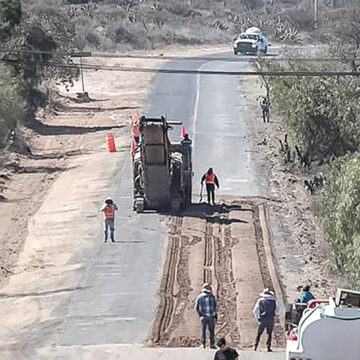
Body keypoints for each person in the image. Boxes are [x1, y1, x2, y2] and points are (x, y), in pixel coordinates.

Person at [195, 283, 217, 349]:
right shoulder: (212, 297)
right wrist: (215, 315)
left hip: (203, 316)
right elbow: (215, 306)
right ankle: (212, 344)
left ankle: (203, 344)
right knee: (212, 331)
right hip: (211, 316)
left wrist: (200, 314)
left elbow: (196, 307)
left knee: (203, 330)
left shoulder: (199, 297)